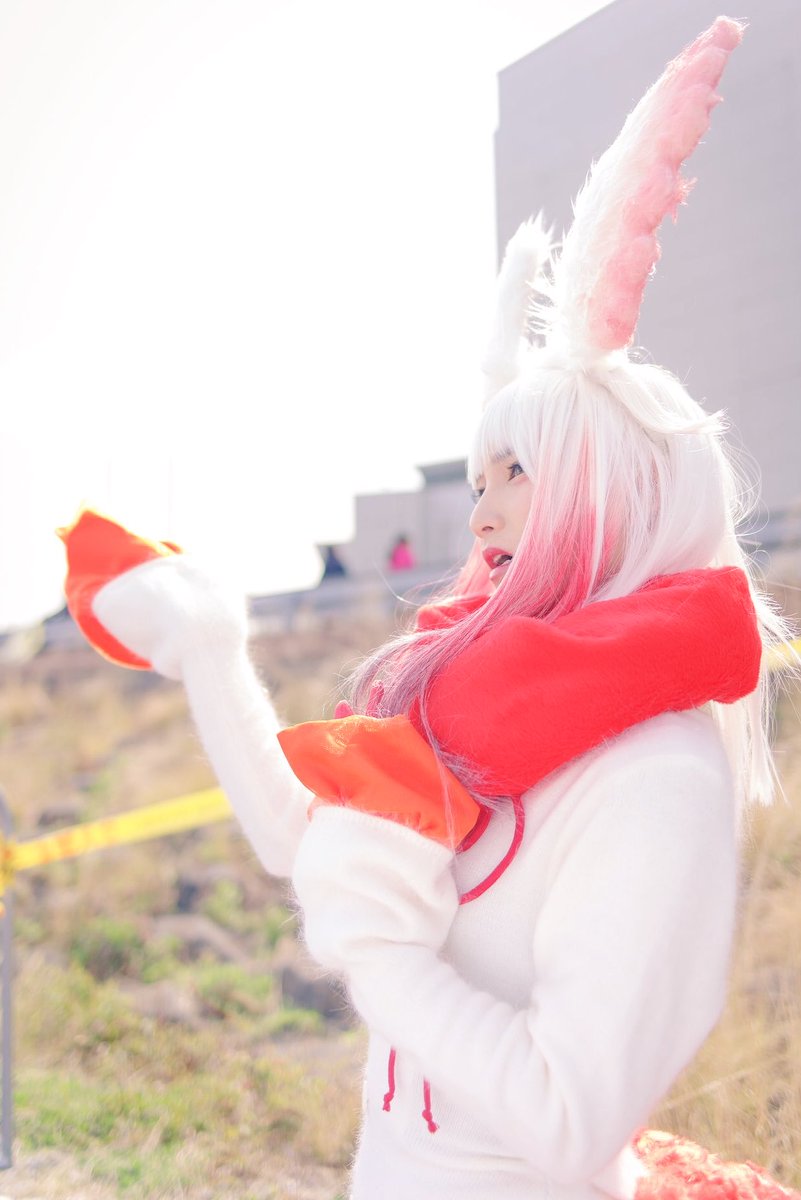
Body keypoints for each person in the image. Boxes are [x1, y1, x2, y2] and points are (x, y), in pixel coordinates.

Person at [59, 17, 800, 1199]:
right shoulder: (485, 701)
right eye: (478, 476)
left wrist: (383, 959)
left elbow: (565, 1118)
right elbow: (312, 851)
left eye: (518, 474)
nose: (482, 512)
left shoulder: (655, 778)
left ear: (611, 492)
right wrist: (210, 644)